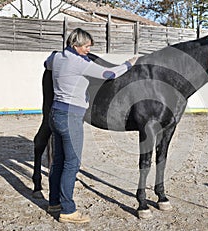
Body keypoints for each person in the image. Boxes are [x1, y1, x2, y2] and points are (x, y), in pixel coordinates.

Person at [44, 28, 138, 223]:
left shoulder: (57, 58)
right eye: (86, 46)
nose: (88, 50)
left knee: (59, 160)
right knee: (72, 164)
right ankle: (68, 210)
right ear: (75, 45)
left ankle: (54, 202)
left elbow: (46, 63)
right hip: (71, 117)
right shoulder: (79, 63)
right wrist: (129, 63)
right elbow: (110, 74)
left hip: (56, 114)